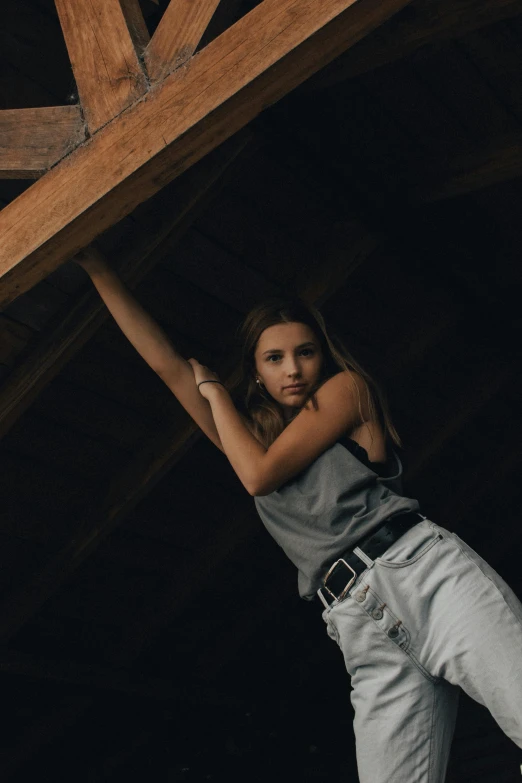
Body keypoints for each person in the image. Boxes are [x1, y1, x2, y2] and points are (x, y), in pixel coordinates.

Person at [76, 247, 522, 782]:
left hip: (424, 575)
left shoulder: (346, 390)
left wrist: (214, 390)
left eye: (305, 352)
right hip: (358, 626)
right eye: (274, 359)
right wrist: (95, 264)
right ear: (257, 371)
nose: (293, 370)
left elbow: (258, 476)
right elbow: (165, 364)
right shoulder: (250, 439)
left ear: (322, 356)